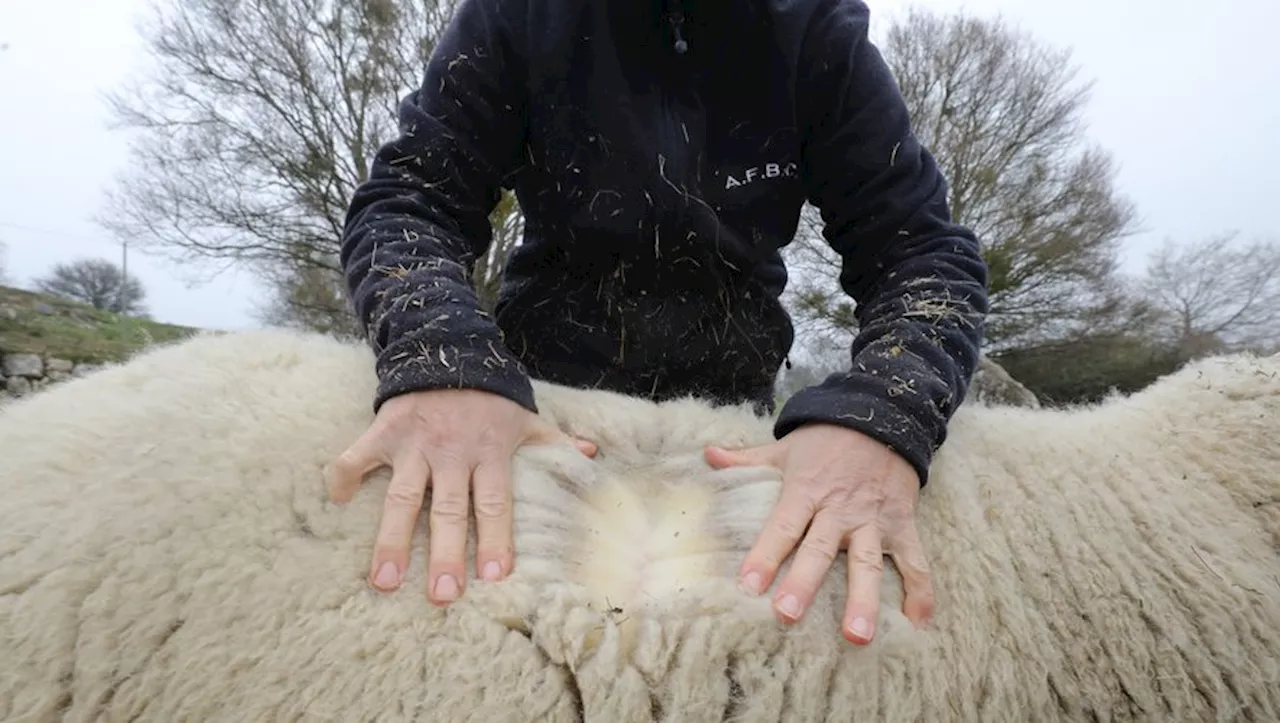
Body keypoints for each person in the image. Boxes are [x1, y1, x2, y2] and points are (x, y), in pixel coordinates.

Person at [329, 0, 989, 646]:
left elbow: (920, 251)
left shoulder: (817, 29)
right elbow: (411, 198)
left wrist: (883, 408)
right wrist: (442, 356)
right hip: (544, 411)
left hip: (731, 434)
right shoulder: (520, 12)